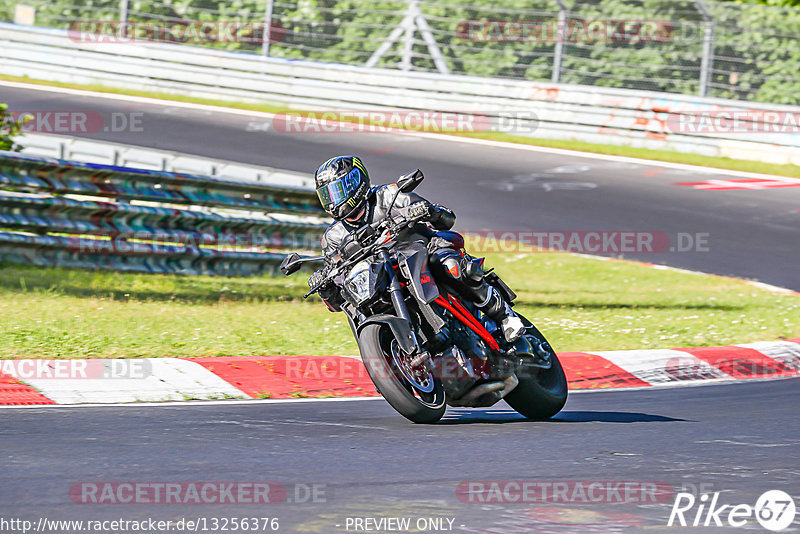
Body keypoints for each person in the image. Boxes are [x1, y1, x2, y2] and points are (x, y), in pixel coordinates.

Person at [311, 155, 524, 343]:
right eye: (327, 195)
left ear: (354, 182)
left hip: (421, 251)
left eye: (337, 191)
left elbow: (446, 220)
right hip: (381, 277)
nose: (333, 201)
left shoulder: (389, 195)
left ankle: (504, 316)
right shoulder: (332, 238)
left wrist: (427, 211)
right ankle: (390, 364)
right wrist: (325, 287)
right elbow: (339, 294)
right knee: (357, 307)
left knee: (451, 265)